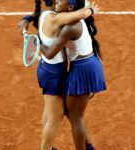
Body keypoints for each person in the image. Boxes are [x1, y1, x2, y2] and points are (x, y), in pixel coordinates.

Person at [18, 0, 99, 150]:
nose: (58, 1)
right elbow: (82, 12)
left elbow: (76, 9)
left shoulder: (44, 14)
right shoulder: (57, 18)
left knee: (52, 112)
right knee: (55, 119)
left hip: (46, 70)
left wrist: (28, 20)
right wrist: (91, 10)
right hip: (54, 73)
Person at [40, 0, 107, 150]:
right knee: (71, 112)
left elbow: (50, 53)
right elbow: (84, 7)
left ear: (70, 8)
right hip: (85, 65)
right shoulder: (73, 17)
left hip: (82, 70)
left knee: (77, 118)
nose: (56, 1)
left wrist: (36, 42)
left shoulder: (70, 27)